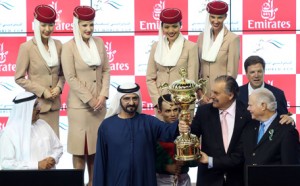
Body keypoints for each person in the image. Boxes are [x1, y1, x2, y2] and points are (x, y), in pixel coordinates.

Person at [93, 83, 187, 186]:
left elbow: (168, 131)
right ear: (119, 100)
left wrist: (180, 125)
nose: (131, 102)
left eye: (135, 98)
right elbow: (100, 161)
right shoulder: (107, 126)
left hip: (144, 180)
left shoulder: (149, 122)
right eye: (126, 99)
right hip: (117, 181)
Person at [61, 5, 110, 186]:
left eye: (91, 25)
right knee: (80, 149)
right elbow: (70, 78)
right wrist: (90, 99)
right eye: (84, 25)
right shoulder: (69, 47)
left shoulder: (99, 43)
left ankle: (94, 183)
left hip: (99, 107)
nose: (89, 29)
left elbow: (106, 71)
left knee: (96, 149)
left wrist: (103, 96)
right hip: (80, 107)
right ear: (76, 25)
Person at [14, 4, 65, 137]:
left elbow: (63, 74)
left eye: (51, 25)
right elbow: (19, 78)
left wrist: (59, 88)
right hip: (36, 108)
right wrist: (42, 91)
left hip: (54, 107)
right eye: (43, 25)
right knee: (39, 149)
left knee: (55, 148)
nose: (47, 29)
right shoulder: (27, 48)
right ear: (36, 25)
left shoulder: (59, 45)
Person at [146, 8, 199, 117]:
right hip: (162, 106)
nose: (171, 31)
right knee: (162, 134)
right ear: (162, 27)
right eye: (166, 27)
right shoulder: (156, 46)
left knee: (183, 133)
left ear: (180, 25)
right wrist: (158, 102)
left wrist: (182, 102)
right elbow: (150, 78)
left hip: (183, 105)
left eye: (174, 26)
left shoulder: (191, 47)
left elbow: (192, 81)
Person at [0, 91, 63, 170]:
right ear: (25, 110)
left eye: (38, 104)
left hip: (49, 178)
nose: (39, 108)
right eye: (35, 106)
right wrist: (36, 165)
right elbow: (6, 163)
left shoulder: (43, 124)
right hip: (23, 180)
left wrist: (53, 158)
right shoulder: (9, 133)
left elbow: (58, 147)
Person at [242, 88, 300, 166]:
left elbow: (290, 167)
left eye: (250, 105)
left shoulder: (287, 131)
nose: (248, 108)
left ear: (263, 106)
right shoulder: (250, 127)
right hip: (250, 177)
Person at [197, 1, 240, 103]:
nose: (215, 21)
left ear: (225, 17)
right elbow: (197, 69)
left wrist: (217, 95)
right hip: (203, 96)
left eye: (219, 17)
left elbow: (231, 74)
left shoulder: (232, 39)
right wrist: (200, 94)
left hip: (221, 97)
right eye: (212, 17)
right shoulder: (202, 37)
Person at [156, 94, 196, 186]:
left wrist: (186, 160)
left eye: (175, 110)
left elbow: (195, 162)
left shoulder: (188, 131)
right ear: (159, 112)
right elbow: (146, 160)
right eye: (168, 111)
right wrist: (166, 167)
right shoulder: (154, 131)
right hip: (161, 180)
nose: (173, 114)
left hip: (184, 180)